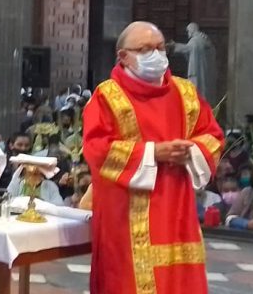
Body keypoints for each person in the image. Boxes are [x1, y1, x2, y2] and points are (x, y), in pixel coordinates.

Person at [83, 21, 223, 294]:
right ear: (123, 56)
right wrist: (153, 153)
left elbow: (212, 136)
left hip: (177, 210)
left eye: (160, 48)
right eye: (145, 49)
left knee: (179, 281)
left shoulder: (186, 94)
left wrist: (190, 150)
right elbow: (97, 149)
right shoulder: (108, 97)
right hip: (126, 217)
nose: (156, 55)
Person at [168, 23, 215, 102]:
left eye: (188, 30)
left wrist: (174, 46)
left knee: (196, 87)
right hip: (202, 68)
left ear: (192, 30)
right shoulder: (203, 39)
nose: (188, 33)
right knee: (201, 88)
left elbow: (187, 49)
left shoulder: (195, 40)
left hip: (196, 69)